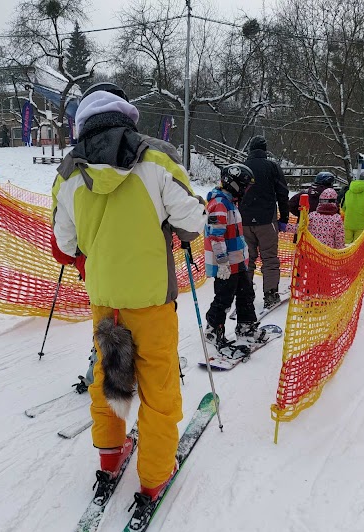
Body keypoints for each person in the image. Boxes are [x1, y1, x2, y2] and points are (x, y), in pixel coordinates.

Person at [51, 82, 205, 504]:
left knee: (108, 377)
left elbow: (64, 247)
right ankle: (154, 476)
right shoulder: (156, 158)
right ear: (127, 117)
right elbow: (192, 221)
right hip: (152, 298)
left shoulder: (68, 173)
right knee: (158, 386)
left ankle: (110, 456)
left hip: (104, 298)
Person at [204, 163, 266, 359]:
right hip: (226, 265)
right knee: (224, 298)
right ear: (235, 184)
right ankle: (213, 330)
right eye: (245, 186)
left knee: (246, 294)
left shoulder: (230, 202)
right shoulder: (219, 204)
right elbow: (216, 236)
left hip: (237, 261)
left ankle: (246, 327)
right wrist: (222, 262)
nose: (247, 191)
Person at [239, 135, 290, 309]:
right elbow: (283, 193)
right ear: (265, 150)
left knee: (247, 259)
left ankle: (245, 294)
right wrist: (283, 218)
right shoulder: (272, 167)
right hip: (267, 220)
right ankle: (270, 294)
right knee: (269, 258)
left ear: (250, 150)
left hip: (244, 220)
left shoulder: (241, 168)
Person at [343, 171, 364, 243]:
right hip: (363, 225)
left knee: (346, 247)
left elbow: (343, 207)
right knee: (358, 246)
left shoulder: (348, 190)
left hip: (348, 223)